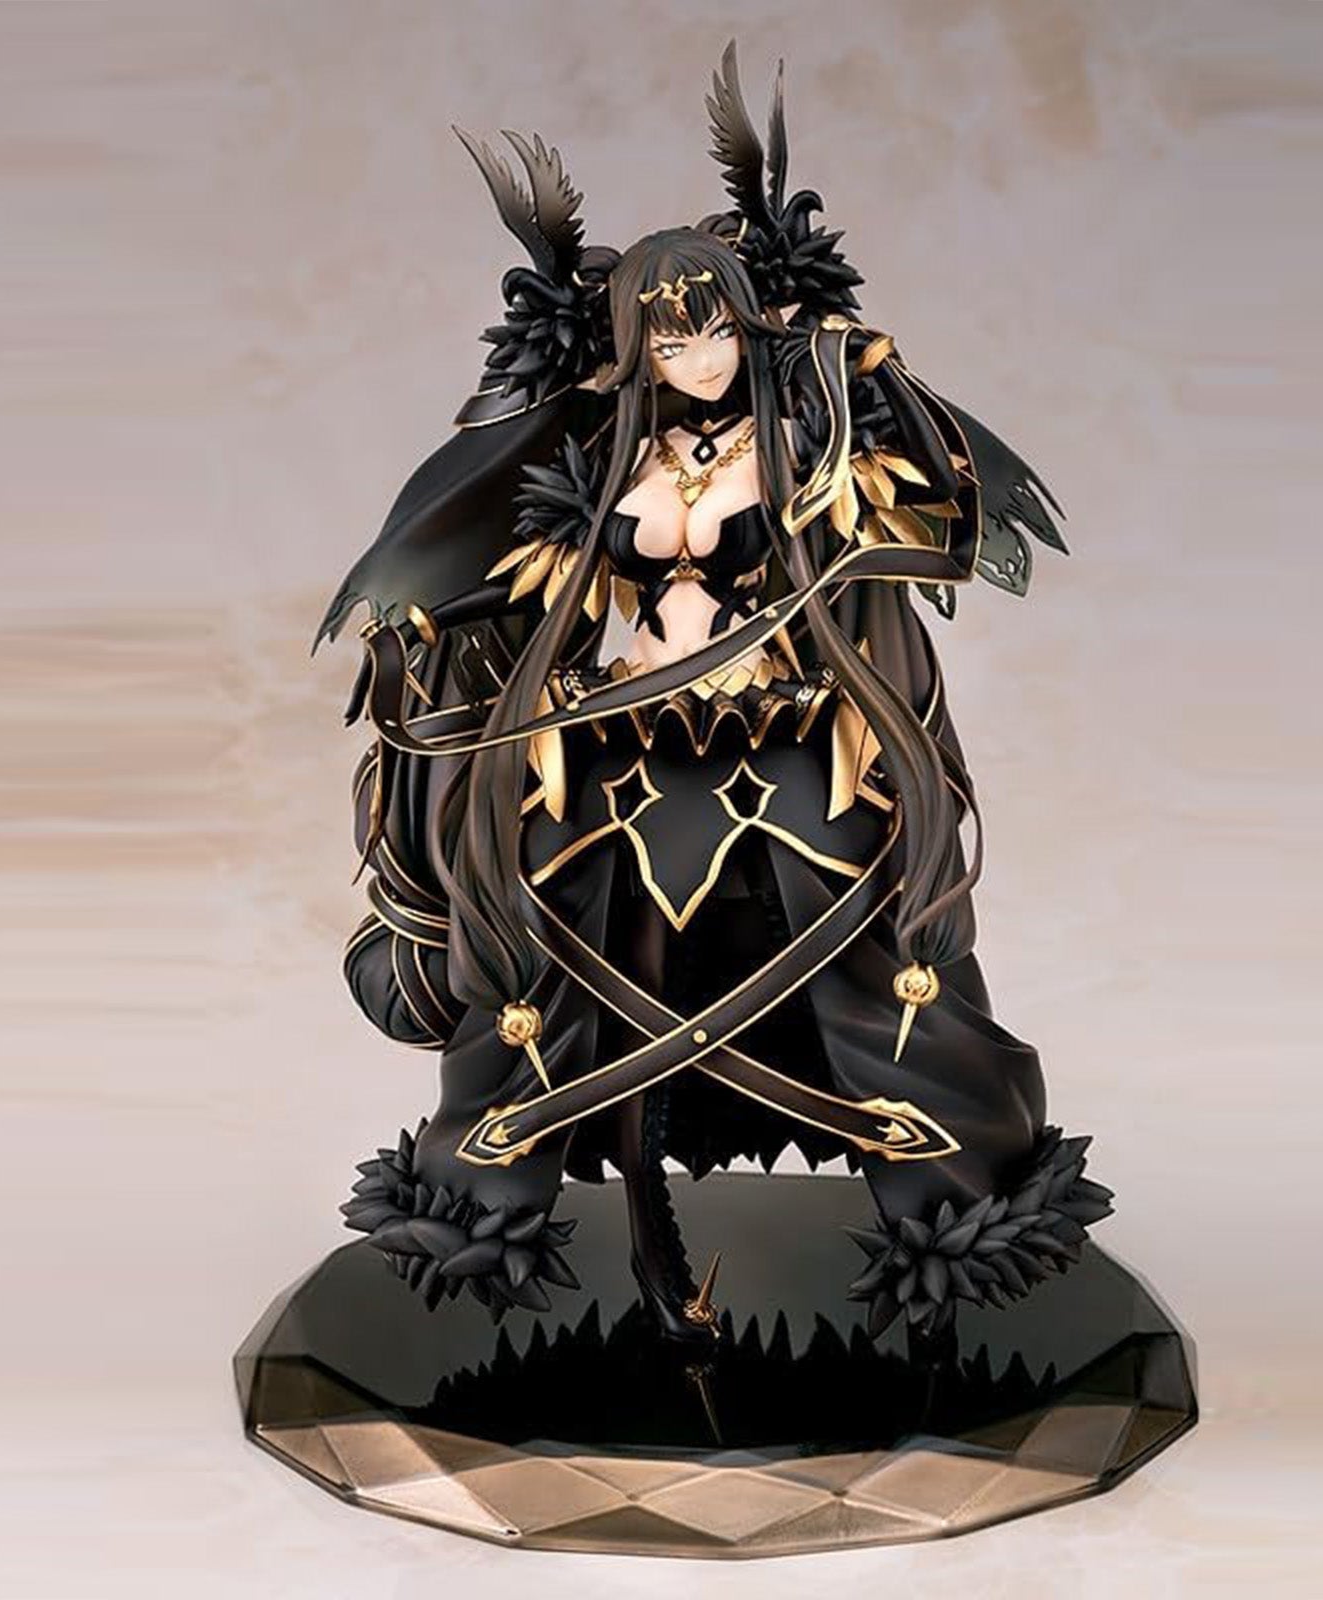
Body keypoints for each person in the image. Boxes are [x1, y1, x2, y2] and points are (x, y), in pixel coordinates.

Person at [325, 43, 1112, 1349]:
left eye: (714, 327)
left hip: (796, 740)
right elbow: (515, 582)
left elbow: (920, 525)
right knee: (529, 900)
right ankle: (483, 1200)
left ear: (749, 323)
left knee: (872, 930)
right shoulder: (600, 454)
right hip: (614, 740)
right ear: (636, 344)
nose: (695, 354)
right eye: (669, 334)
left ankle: (959, 1206)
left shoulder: (807, 435)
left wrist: (867, 382)